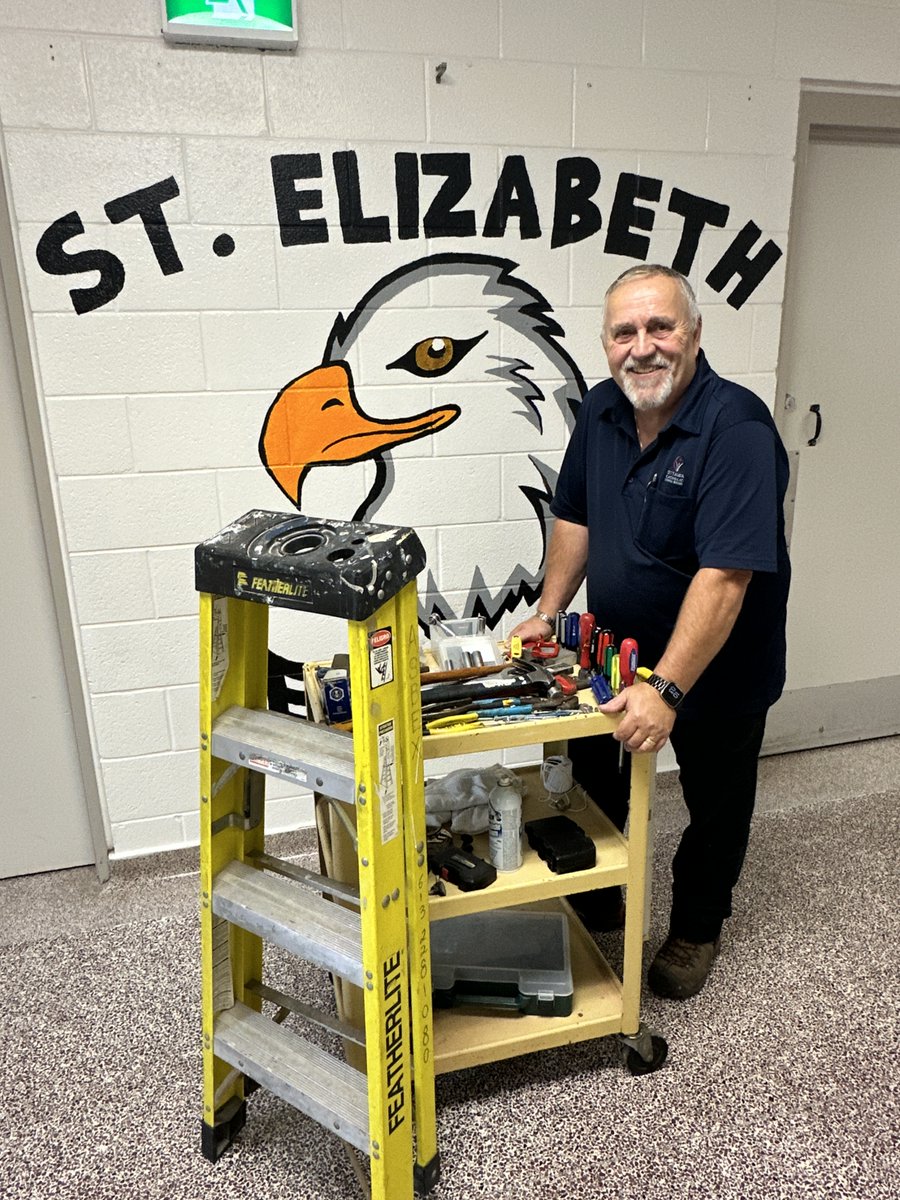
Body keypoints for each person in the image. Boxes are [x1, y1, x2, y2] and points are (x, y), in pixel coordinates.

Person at [511, 264, 791, 999]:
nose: (643, 347)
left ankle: (696, 926)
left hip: (718, 668)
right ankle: (601, 893)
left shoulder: (737, 429)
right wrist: (549, 611)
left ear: (694, 334)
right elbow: (575, 515)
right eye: (624, 332)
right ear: (606, 343)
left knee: (715, 805)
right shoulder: (603, 408)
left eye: (660, 327)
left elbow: (725, 577)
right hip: (615, 654)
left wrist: (666, 688)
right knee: (593, 777)